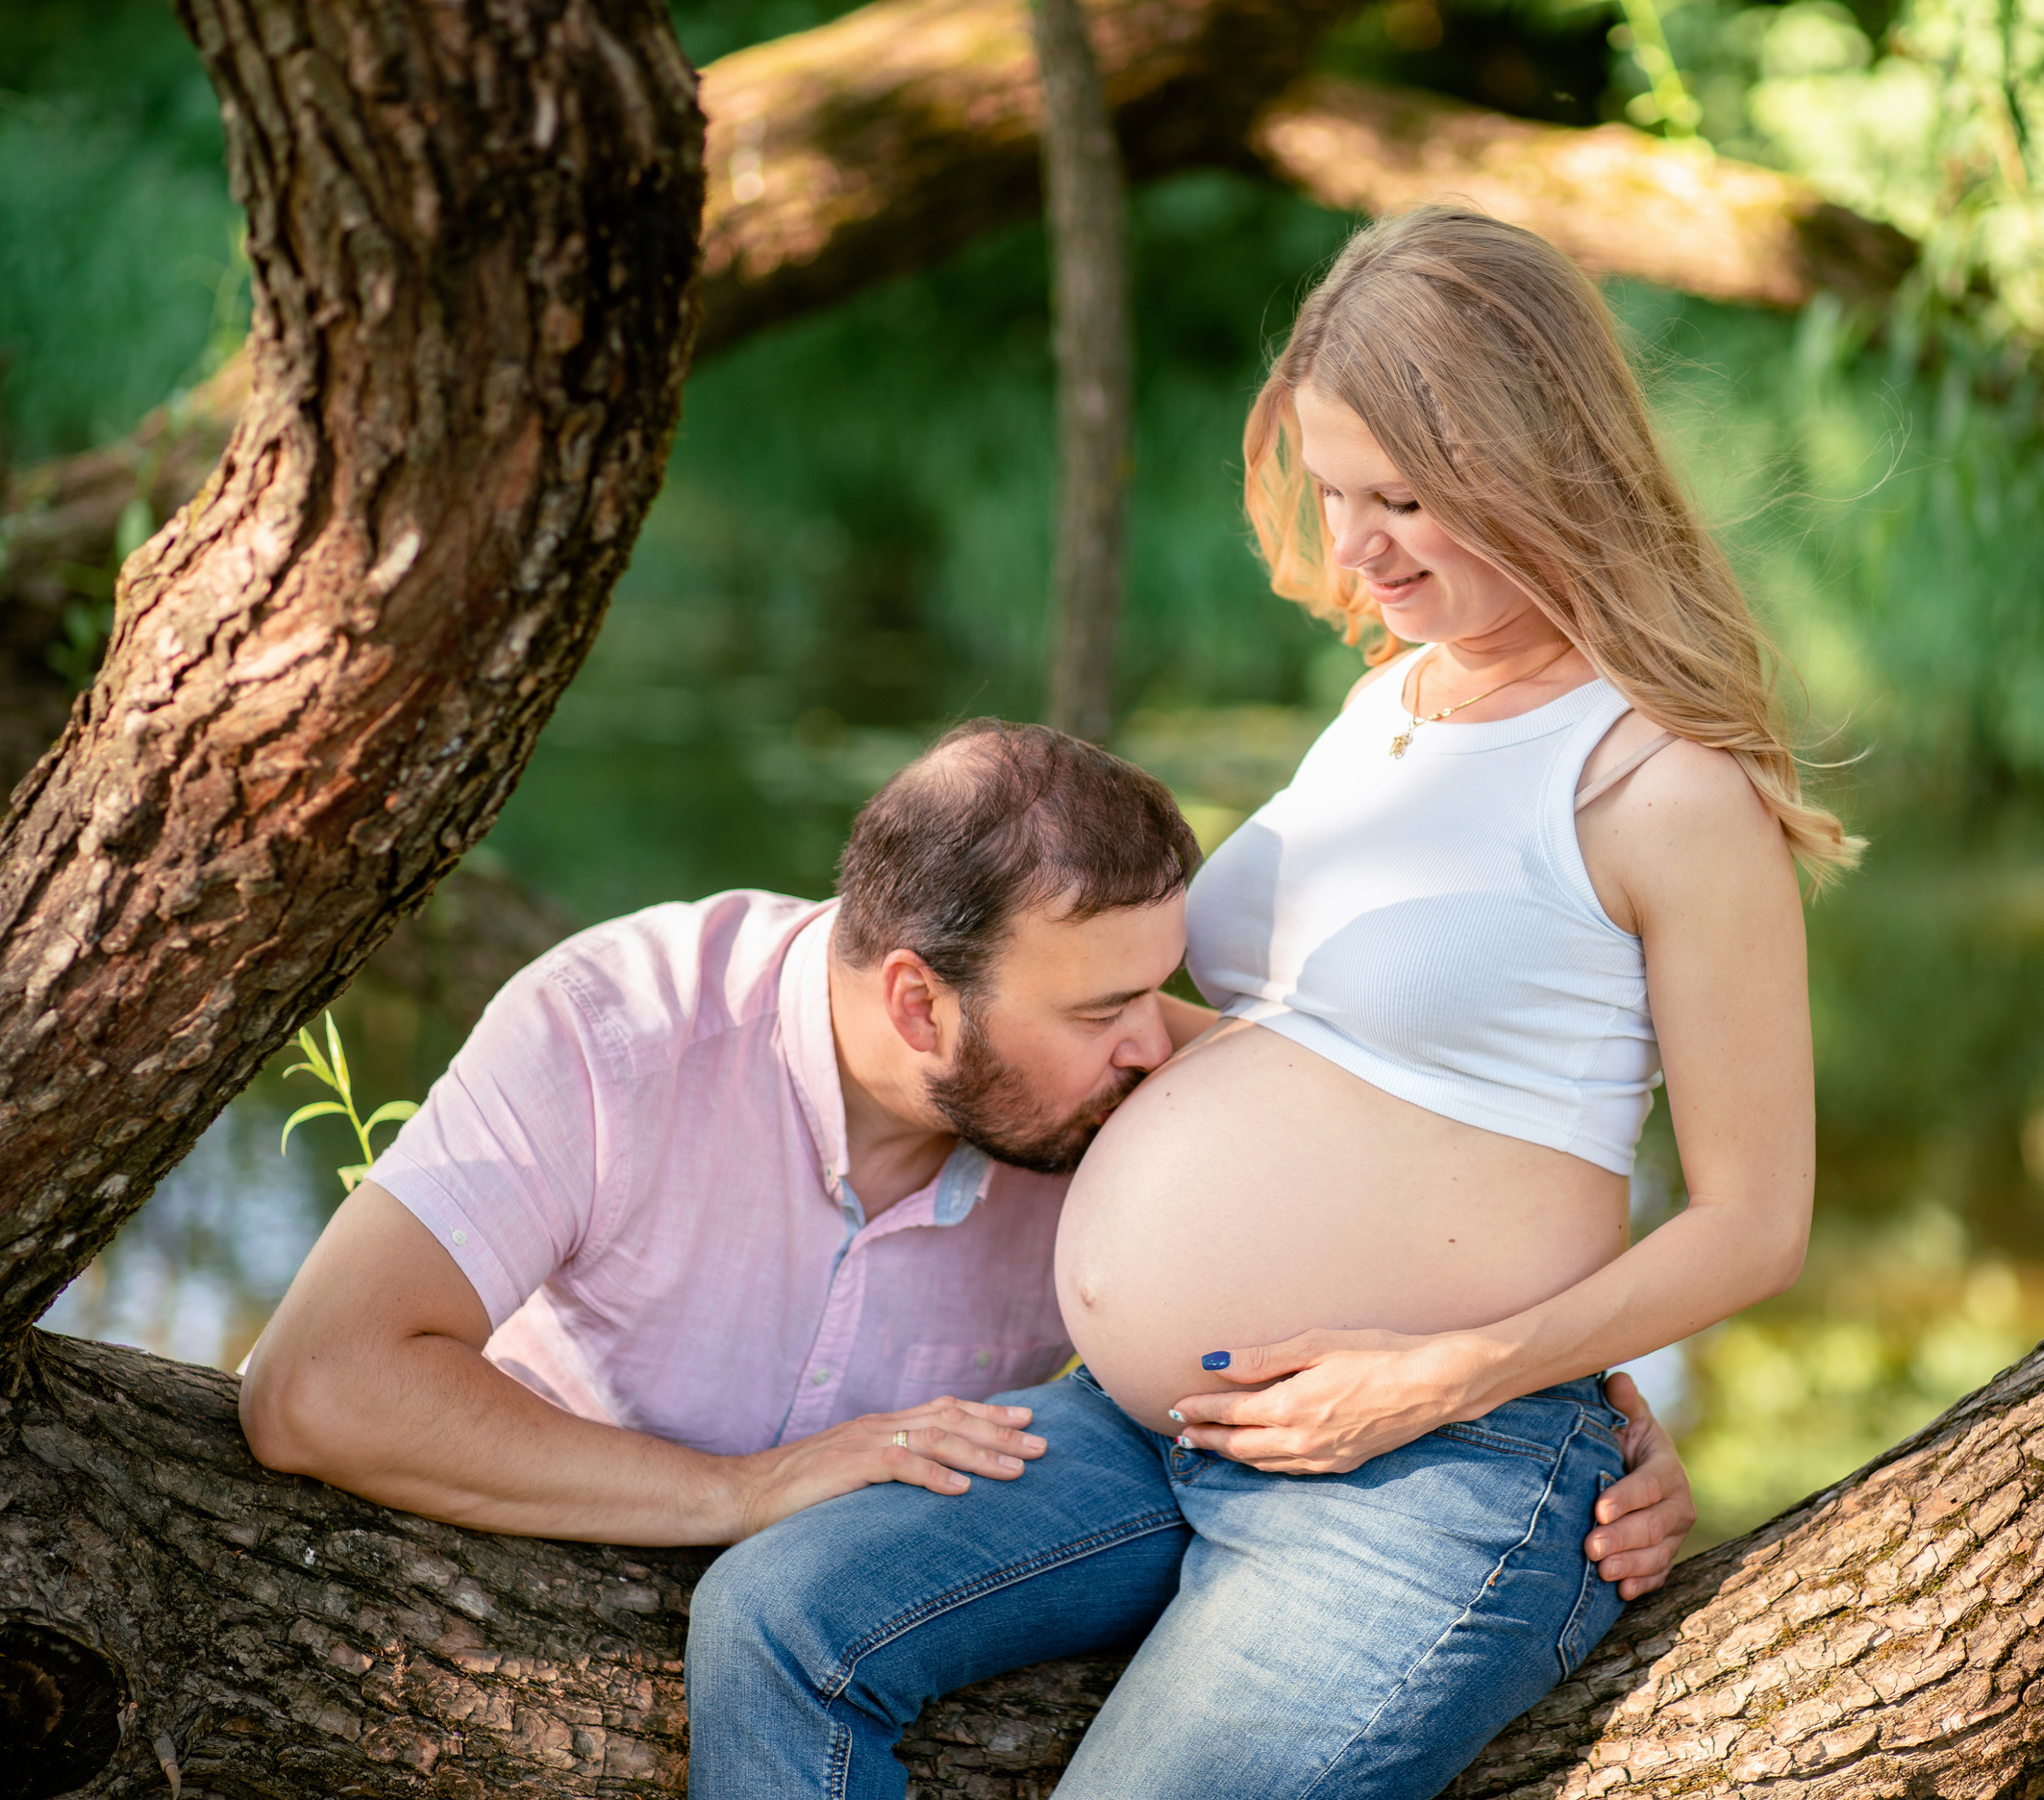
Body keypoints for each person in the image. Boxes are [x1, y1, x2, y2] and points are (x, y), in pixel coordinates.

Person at [685, 204, 1855, 1799]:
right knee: (775, 1619)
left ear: (1539, 459)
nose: (1360, 548)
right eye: (1332, 492)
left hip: (1429, 1467)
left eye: (1406, 498)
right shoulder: (1391, 702)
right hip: (1158, 1430)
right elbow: (1328, 1062)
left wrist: (1477, 1372)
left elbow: (1755, 1222)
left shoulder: (1660, 787)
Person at [237, 720, 1695, 1575]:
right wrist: (745, 1495)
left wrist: (1581, 1409)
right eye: (1109, 1006)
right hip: (525, 1556)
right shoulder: (615, 1033)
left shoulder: (1111, 1088)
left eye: (1163, 985)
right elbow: (317, 1387)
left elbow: (1434, 1222)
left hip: (865, 1612)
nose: (1159, 1043)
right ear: (919, 1004)